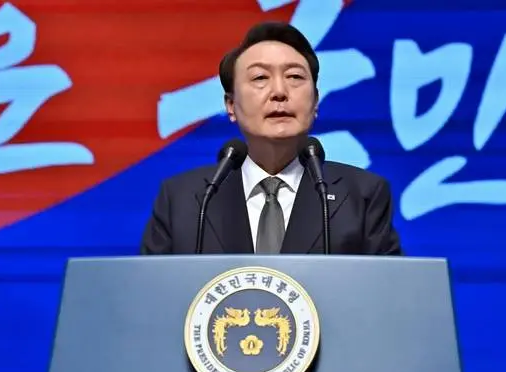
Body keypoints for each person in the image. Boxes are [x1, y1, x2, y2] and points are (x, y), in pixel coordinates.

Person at [141, 21, 403, 255]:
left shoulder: (362, 195)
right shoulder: (183, 199)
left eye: (295, 77)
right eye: (260, 78)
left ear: (315, 102)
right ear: (231, 105)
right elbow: (149, 289)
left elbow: (391, 289)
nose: (279, 91)